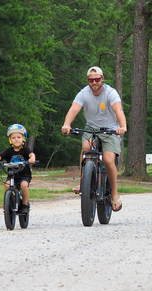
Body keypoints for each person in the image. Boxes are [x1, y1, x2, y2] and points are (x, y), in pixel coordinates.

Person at [61, 66, 127, 212]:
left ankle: (114, 193)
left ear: (102, 79)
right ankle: (83, 181)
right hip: (91, 129)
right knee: (85, 148)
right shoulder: (84, 93)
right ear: (88, 81)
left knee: (109, 160)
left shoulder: (110, 93)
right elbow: (74, 109)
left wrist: (122, 126)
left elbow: (118, 110)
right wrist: (67, 124)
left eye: (97, 79)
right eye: (91, 80)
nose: (94, 82)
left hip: (110, 129)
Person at [0, 124, 36, 214]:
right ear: (10, 139)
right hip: (12, 175)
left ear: (23, 138)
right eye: (13, 137)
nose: (16, 139)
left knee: (24, 186)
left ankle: (25, 205)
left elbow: (31, 154)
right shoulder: (9, 151)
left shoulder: (25, 150)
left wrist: (32, 159)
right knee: (7, 185)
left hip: (24, 175)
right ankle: (9, 203)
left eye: (18, 137)